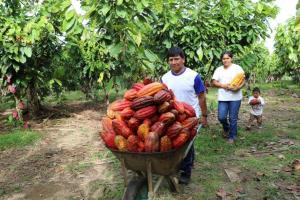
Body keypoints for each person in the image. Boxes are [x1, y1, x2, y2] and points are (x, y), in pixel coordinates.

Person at [161, 47, 208, 184]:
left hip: (190, 116)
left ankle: (185, 171)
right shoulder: (164, 78)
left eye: (176, 59)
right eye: (171, 59)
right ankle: (178, 165)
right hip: (171, 116)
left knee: (186, 143)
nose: (174, 62)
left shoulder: (193, 76)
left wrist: (204, 115)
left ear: (183, 59)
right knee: (174, 143)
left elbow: (201, 97)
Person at [212, 51, 245, 144]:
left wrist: (238, 87)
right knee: (221, 117)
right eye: (223, 58)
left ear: (231, 58)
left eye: (227, 58)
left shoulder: (237, 68)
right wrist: (223, 85)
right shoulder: (219, 69)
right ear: (222, 60)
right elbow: (214, 82)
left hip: (235, 97)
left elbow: (243, 80)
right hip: (223, 97)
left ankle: (232, 136)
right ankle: (226, 128)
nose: (225, 60)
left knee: (232, 118)